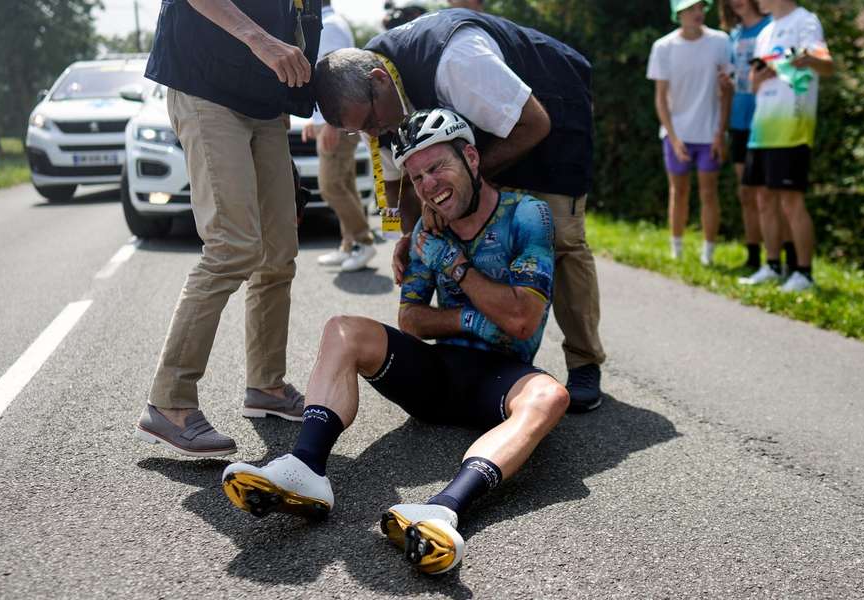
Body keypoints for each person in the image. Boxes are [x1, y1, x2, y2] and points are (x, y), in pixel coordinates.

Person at [222, 109, 569, 575]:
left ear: (470, 156)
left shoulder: (528, 215)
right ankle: (305, 467)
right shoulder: (426, 230)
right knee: (343, 328)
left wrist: (454, 266)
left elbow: (522, 321)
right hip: (434, 377)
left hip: (500, 380)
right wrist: (476, 317)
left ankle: (444, 511)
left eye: (437, 167)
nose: (428, 185)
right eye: (417, 176)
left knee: (550, 396)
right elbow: (411, 320)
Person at [313, 8, 607, 412]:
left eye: (369, 122)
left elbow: (534, 124)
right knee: (459, 221)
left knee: (563, 236)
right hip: (474, 140)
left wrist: (468, 181)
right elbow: (396, 173)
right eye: (357, 130)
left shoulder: (456, 61)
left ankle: (585, 362)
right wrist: (409, 237)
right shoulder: (372, 96)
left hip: (547, 111)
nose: (371, 133)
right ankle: (491, 347)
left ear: (380, 82)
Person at [134, 0, 321, 457]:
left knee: (279, 254)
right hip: (206, 89)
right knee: (232, 247)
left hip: (264, 102)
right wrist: (260, 39)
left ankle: (266, 386)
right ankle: (169, 402)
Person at [737, 0, 834, 292]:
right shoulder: (767, 32)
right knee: (763, 200)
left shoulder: (806, 21)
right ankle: (773, 265)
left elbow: (827, 65)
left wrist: (806, 59)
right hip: (761, 128)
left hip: (793, 127)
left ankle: (804, 273)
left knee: (791, 201)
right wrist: (760, 76)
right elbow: (753, 83)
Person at [647, 0, 732, 266]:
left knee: (709, 192)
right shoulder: (663, 47)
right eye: (692, 8)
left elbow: (727, 91)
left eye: (701, 8)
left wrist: (720, 132)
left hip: (710, 133)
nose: (698, 13)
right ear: (679, 13)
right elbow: (661, 98)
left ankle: (708, 255)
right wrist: (673, 137)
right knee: (678, 191)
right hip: (676, 135)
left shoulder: (721, 41)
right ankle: (677, 250)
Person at [303, 0, 377, 272]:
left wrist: (331, 123)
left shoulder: (329, 26)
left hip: (338, 120)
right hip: (332, 119)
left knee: (331, 185)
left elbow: (336, 81)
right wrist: (315, 119)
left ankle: (362, 241)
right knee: (345, 183)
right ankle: (350, 245)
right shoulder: (330, 23)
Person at [719, 0, 772, 271]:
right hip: (738, 124)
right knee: (746, 193)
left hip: (765, 121)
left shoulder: (770, 27)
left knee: (770, 195)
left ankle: (784, 260)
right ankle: (753, 258)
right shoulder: (733, 36)